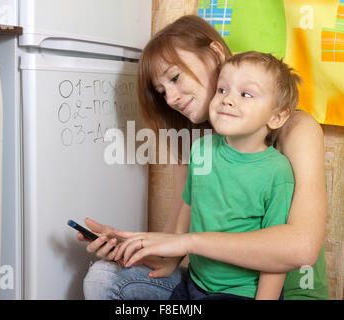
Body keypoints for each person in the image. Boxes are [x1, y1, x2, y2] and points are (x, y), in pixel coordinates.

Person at [79, 15, 329, 300]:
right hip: (205, 289)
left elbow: (302, 247)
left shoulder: (296, 129)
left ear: (215, 54)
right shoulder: (197, 146)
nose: (171, 98)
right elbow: (173, 250)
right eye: (162, 92)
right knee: (103, 278)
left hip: (279, 294)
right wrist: (133, 245)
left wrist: (190, 242)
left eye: (175, 77)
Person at [114, 51, 300, 300]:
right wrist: (170, 261)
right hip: (195, 283)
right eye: (222, 90)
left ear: (277, 117)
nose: (227, 100)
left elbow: (277, 253)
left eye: (245, 94)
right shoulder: (201, 149)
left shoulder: (277, 172)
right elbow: (188, 209)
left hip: (242, 293)